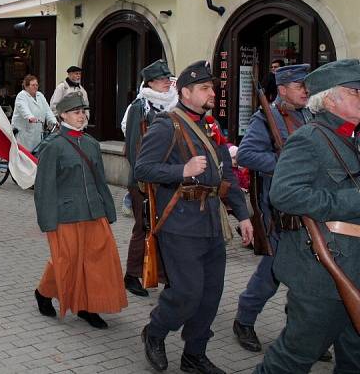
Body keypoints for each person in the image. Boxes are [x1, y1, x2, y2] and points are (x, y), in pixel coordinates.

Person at [135, 60, 253, 374]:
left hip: (212, 223)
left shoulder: (211, 125)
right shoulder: (166, 124)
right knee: (187, 293)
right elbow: (142, 169)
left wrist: (243, 215)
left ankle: (194, 354)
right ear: (186, 92)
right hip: (180, 222)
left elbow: (226, 172)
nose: (211, 92)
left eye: (211, 87)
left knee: (210, 296)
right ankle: (155, 332)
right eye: (204, 88)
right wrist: (181, 171)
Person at [254, 60, 360, 374]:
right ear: (330, 99)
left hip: (351, 267)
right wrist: (352, 200)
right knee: (292, 360)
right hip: (323, 273)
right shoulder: (310, 138)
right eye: (355, 91)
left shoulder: (350, 138)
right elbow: (284, 194)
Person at [233, 64, 323, 355]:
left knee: (310, 272)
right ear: (282, 89)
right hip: (281, 209)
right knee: (274, 269)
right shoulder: (266, 117)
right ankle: (244, 320)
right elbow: (246, 154)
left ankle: (300, 332)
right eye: (299, 85)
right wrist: (287, 167)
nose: (305, 90)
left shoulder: (310, 115)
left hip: (309, 204)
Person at [33, 93, 127, 329]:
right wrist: (47, 221)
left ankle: (88, 307)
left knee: (97, 261)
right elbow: (44, 187)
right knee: (67, 262)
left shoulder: (91, 144)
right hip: (65, 215)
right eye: (76, 112)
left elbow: (100, 181)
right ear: (63, 115)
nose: (82, 116)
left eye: (83, 112)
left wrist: (108, 209)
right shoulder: (53, 146)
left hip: (94, 213)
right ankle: (44, 293)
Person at [121, 59, 178, 297]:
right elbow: (134, 147)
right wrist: (145, 180)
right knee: (143, 228)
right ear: (151, 82)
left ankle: (165, 276)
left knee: (165, 228)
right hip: (144, 181)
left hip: (168, 179)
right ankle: (132, 275)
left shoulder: (173, 104)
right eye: (162, 79)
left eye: (168, 78)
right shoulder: (140, 107)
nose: (167, 82)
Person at [12, 75, 57, 153]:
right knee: (23, 155)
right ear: (26, 86)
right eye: (33, 85)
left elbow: (47, 110)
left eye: (36, 85)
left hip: (37, 131)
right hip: (24, 132)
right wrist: (30, 117)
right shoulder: (22, 96)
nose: (35, 87)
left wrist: (53, 121)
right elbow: (23, 108)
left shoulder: (40, 95)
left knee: (35, 154)